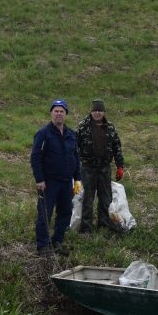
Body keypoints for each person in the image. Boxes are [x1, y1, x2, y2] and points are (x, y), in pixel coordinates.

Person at [30, 99, 81, 258]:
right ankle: (43, 246)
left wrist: (77, 179)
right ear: (51, 113)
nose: (59, 114)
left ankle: (57, 241)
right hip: (49, 182)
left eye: (62, 111)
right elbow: (35, 157)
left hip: (66, 182)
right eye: (56, 111)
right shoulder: (43, 134)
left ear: (66, 114)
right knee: (45, 213)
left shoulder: (71, 134)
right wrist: (39, 179)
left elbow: (75, 156)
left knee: (66, 211)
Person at [75, 98, 126, 233]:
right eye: (95, 111)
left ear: (104, 112)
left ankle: (103, 225)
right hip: (87, 168)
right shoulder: (82, 126)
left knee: (105, 198)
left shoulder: (110, 127)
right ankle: (86, 228)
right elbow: (74, 148)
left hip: (104, 168)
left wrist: (120, 166)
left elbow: (117, 147)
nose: (97, 113)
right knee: (87, 198)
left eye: (100, 110)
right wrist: (74, 167)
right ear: (91, 112)